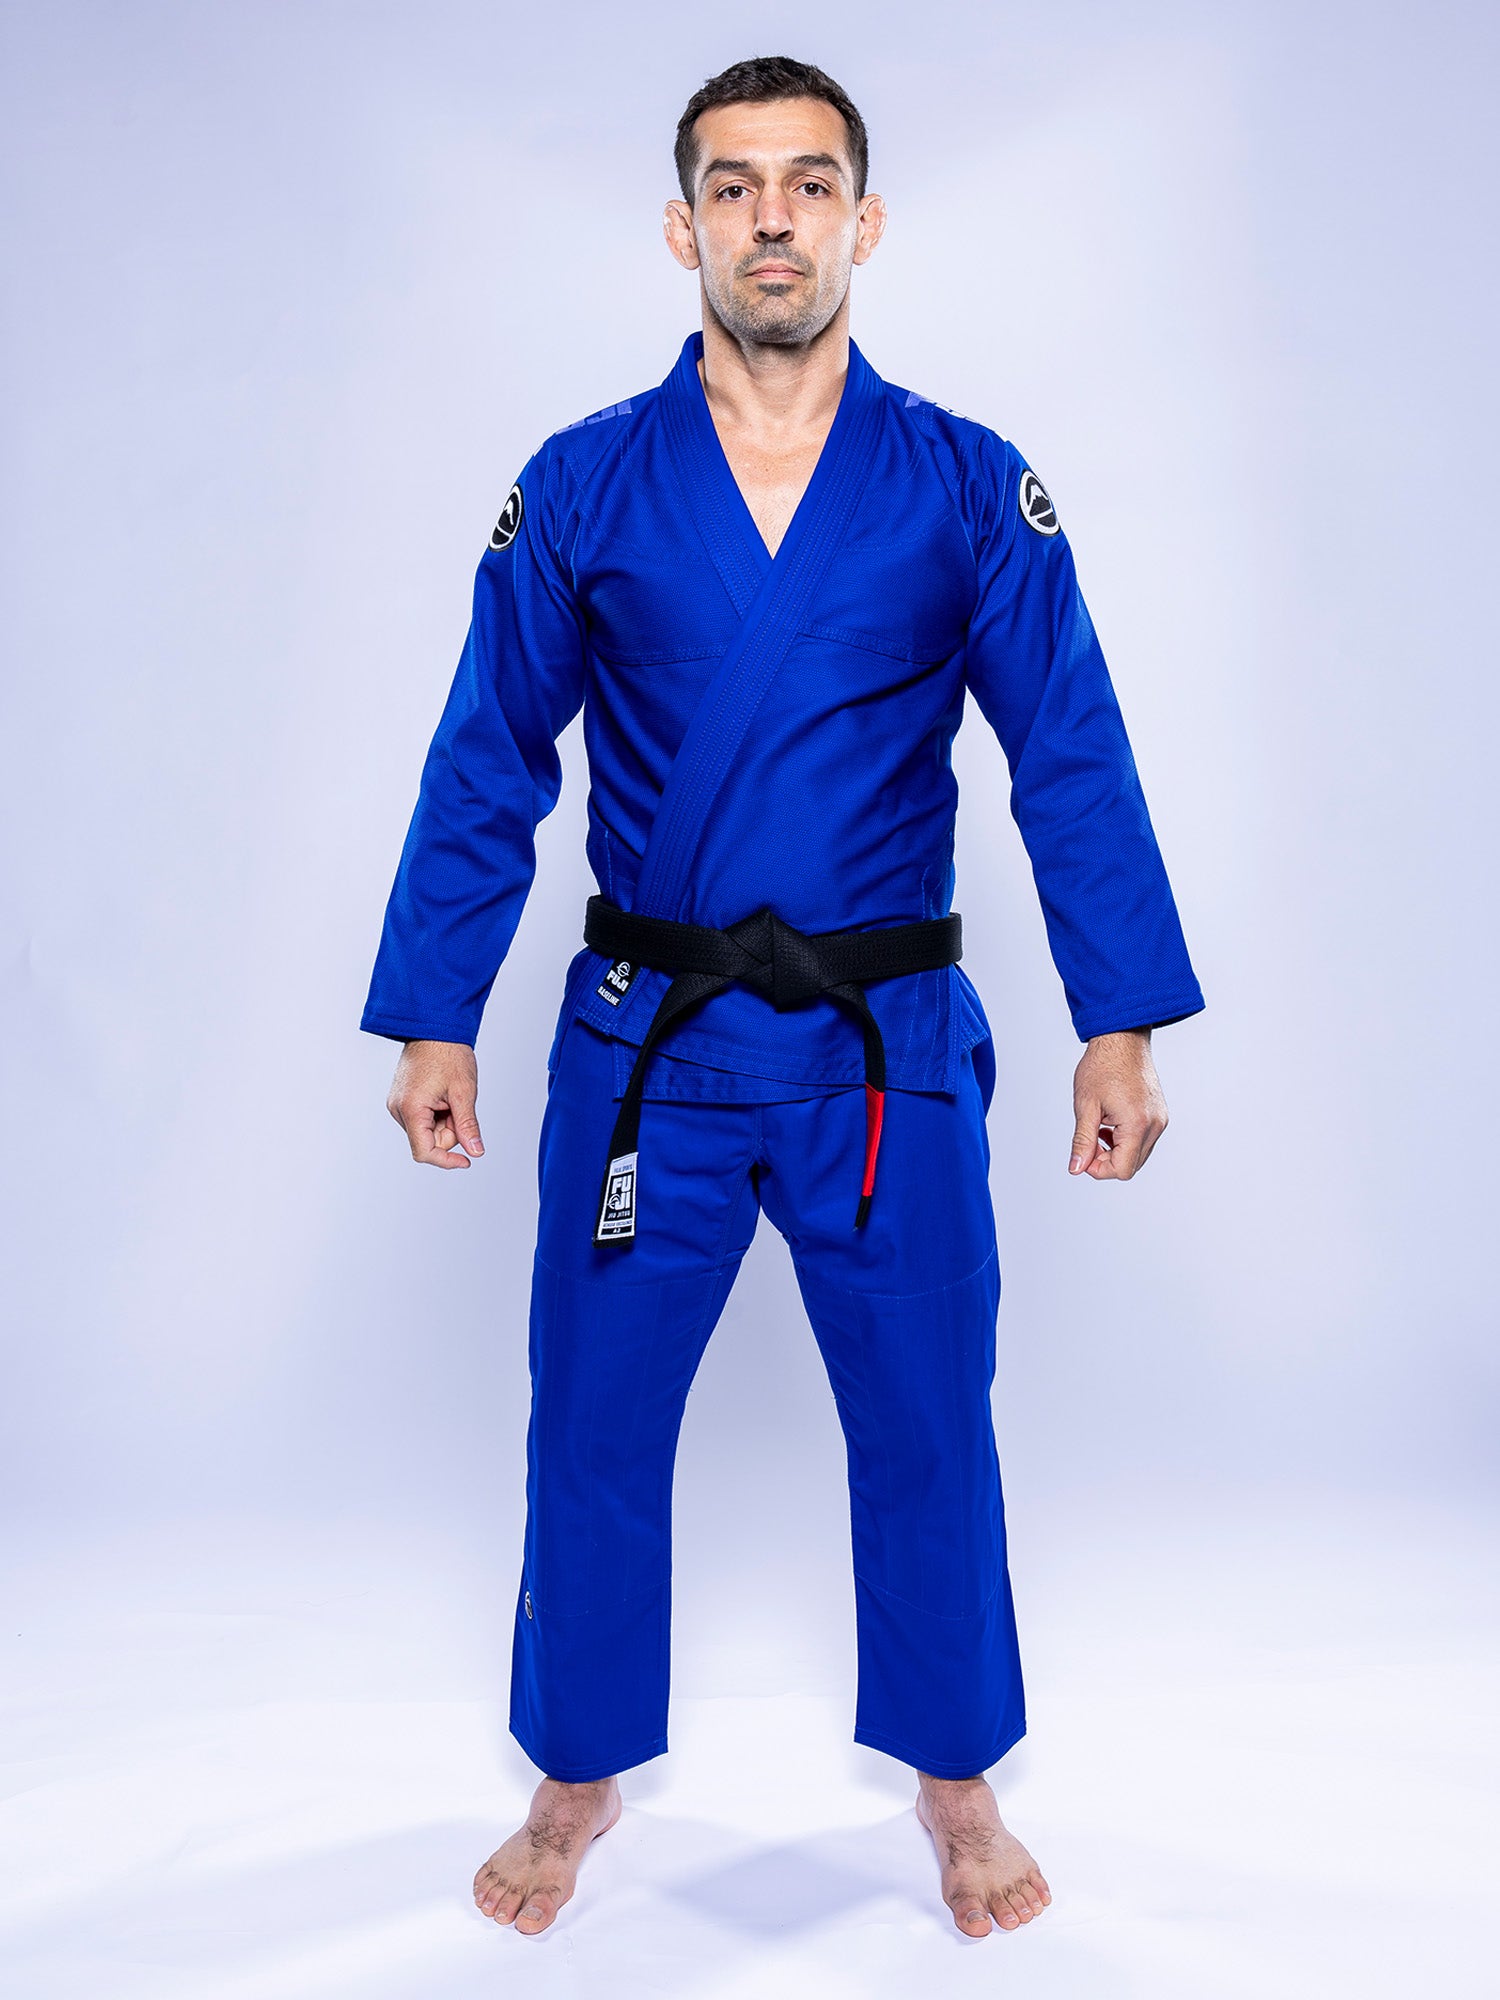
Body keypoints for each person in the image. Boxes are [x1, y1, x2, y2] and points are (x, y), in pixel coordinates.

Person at [362, 55, 1203, 1941]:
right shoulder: (580, 482)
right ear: (683, 227)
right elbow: (485, 757)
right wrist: (434, 1010)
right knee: (589, 1418)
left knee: (926, 1419)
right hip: (648, 1060)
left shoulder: (968, 484)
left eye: (808, 186)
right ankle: (575, 1778)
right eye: (733, 187)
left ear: (863, 226)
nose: (770, 218)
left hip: (880, 1055)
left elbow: (1066, 753)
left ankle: (958, 1783)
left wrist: (1118, 1018)